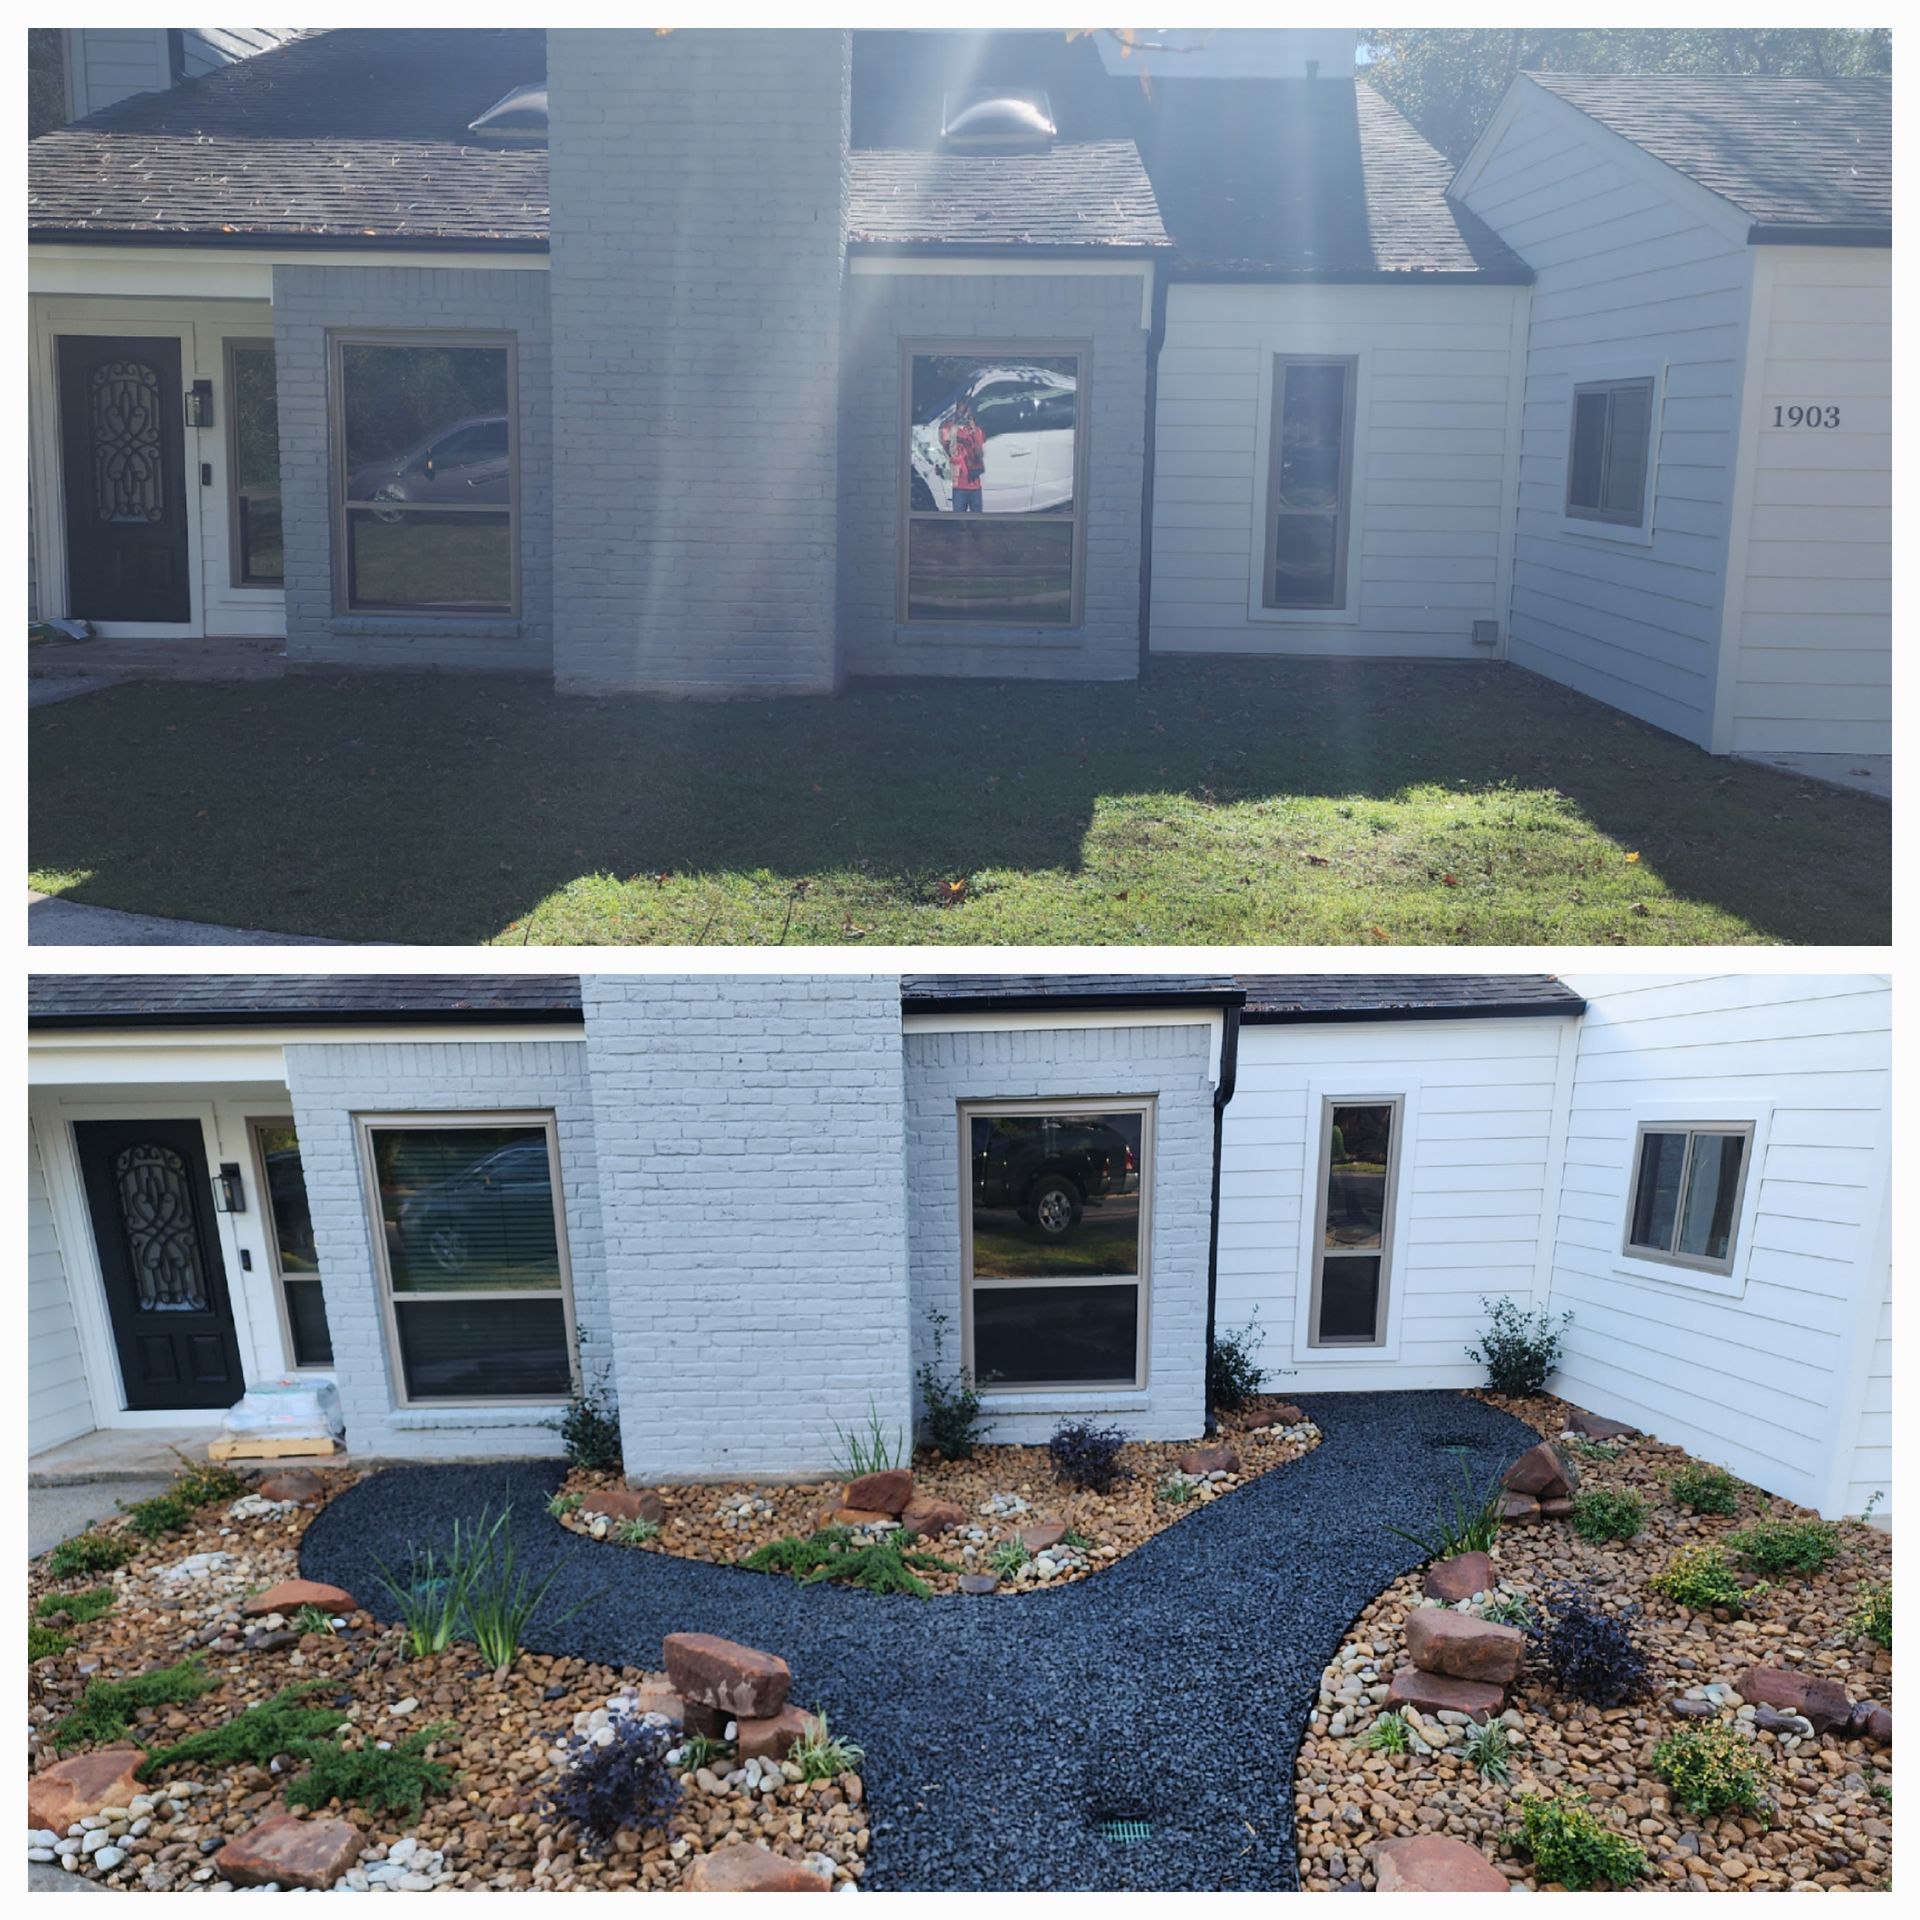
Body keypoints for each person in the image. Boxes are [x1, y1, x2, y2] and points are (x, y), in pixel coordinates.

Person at [940, 397, 986, 512]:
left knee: (977, 519)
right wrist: (955, 428)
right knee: (959, 519)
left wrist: (973, 430)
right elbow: (946, 447)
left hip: (975, 486)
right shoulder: (951, 429)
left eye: (966, 412)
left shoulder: (976, 431)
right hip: (959, 486)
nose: (964, 415)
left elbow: (980, 454)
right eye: (961, 412)